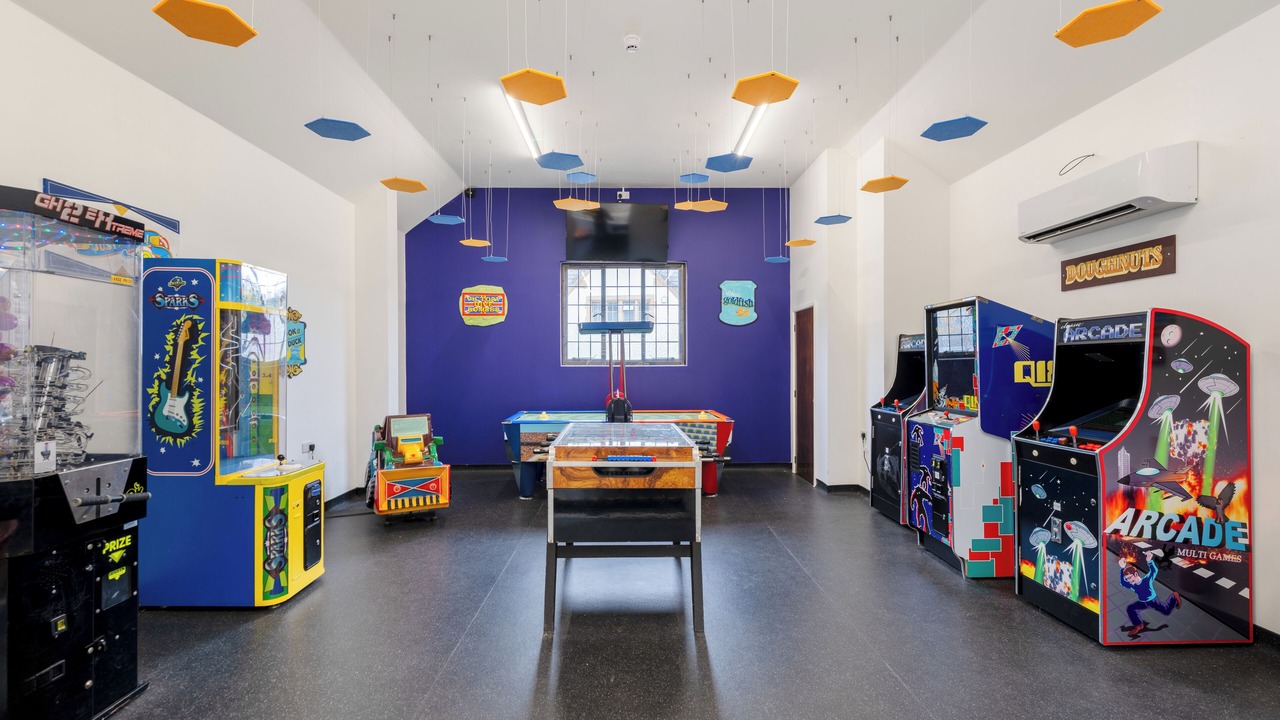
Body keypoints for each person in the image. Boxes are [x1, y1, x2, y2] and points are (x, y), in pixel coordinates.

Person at [1120, 550, 1182, 638]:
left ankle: (1174, 597)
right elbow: (1123, 583)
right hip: (1142, 602)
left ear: (1136, 574)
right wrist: (1122, 568)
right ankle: (1139, 625)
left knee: (1166, 611)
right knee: (1131, 608)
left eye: (1130, 578)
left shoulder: (1146, 580)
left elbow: (1154, 571)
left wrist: (1149, 561)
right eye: (1128, 579)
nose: (1130, 581)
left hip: (1153, 601)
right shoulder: (1132, 585)